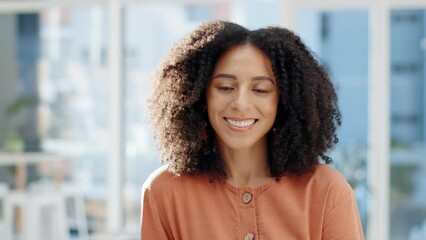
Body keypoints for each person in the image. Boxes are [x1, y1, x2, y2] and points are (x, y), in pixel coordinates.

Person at [141, 20, 364, 240]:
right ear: (199, 94)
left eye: (260, 89)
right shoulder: (164, 191)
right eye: (225, 87)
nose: (241, 103)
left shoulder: (325, 191)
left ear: (284, 101)